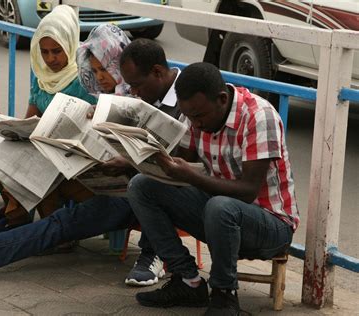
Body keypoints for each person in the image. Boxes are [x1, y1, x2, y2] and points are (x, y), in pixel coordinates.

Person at [0, 39, 181, 286]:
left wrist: (128, 163)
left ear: (157, 72)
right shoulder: (143, 94)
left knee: (145, 191)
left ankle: (153, 253)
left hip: (168, 193)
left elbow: (185, 165)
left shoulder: (188, 96)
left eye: (136, 85)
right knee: (63, 221)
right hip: (126, 189)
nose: (133, 91)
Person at [127, 62, 299, 315]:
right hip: (218, 215)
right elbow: (181, 158)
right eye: (190, 117)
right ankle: (188, 280)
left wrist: (191, 176)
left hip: (270, 225)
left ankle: (224, 295)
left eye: (199, 117)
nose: (195, 124)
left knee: (220, 206)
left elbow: (248, 191)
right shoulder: (195, 113)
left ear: (221, 99)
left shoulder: (259, 116)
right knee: (141, 186)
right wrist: (135, 156)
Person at [0, 5, 97, 235]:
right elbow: (30, 118)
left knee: (37, 162)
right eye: (45, 51)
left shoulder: (83, 79)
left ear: (70, 44)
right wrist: (6, 125)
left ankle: (23, 217)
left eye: (57, 51)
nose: (50, 59)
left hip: (72, 153)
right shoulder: (42, 75)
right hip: (45, 144)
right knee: (0, 149)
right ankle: (13, 210)